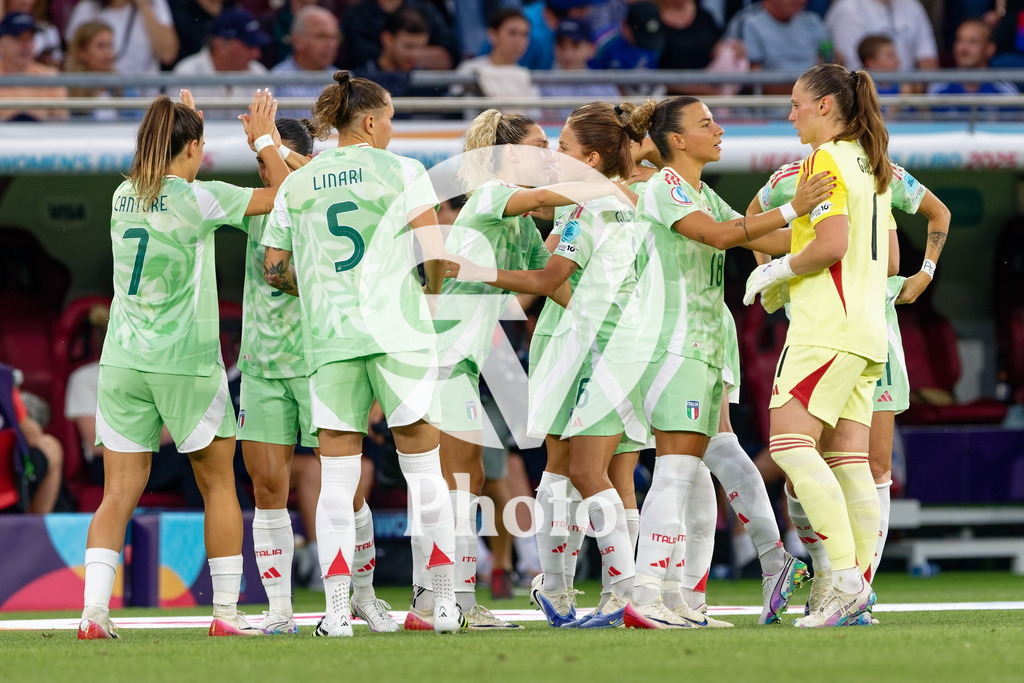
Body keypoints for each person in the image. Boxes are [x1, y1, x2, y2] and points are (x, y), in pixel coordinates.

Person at [77, 88, 289, 640]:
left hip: (122, 361)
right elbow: (287, 196)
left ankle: (93, 614)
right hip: (186, 362)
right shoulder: (199, 198)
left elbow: (163, 167)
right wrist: (264, 139)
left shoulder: (124, 194)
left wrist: (183, 122)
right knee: (219, 486)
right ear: (193, 148)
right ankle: (224, 615)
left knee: (117, 493)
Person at [261, 71, 461, 637]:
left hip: (331, 337)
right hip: (399, 334)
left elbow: (274, 269)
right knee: (425, 472)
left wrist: (322, 289)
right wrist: (428, 300)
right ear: (370, 122)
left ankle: (336, 612)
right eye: (391, 117)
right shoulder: (404, 172)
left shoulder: (300, 182)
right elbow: (435, 254)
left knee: (336, 479)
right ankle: (443, 604)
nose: (393, 128)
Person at [622, 95, 832, 629]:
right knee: (675, 470)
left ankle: (678, 598)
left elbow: (756, 233)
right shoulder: (665, 186)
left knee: (694, 466)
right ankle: (646, 593)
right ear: (677, 140)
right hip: (672, 343)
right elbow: (719, 237)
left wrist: (834, 237)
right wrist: (794, 207)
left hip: (704, 343)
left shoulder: (698, 190)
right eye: (706, 123)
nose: (719, 129)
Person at [447, 101, 653, 629]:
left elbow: (554, 284)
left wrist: (610, 327)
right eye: (542, 147)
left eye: (556, 147)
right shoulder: (495, 195)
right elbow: (545, 219)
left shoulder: (528, 225)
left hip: (494, 356)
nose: (549, 156)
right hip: (441, 354)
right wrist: (611, 180)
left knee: (482, 479)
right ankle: (448, 601)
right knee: (455, 482)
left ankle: (545, 593)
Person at [749, 158, 950, 608]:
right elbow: (750, 222)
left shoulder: (884, 174)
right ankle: (828, 575)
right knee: (804, 464)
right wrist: (776, 276)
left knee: (871, 464)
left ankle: (855, 589)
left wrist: (926, 272)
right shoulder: (794, 175)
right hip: (820, 325)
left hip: (876, 328)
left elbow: (902, 254)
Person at [742, 62, 894, 627]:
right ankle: (856, 591)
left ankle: (844, 583)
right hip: (866, 329)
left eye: (797, 104)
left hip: (827, 326)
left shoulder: (824, 158)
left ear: (826, 105)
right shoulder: (870, 160)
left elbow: (828, 244)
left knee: (788, 446)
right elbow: (833, 239)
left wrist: (778, 268)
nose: (791, 115)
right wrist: (745, 239)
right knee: (849, 460)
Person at [233, 115, 397, 634]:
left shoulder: (314, 200)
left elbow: (293, 184)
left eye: (270, 161)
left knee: (346, 491)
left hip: (319, 358)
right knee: (266, 488)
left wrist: (270, 146)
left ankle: (363, 597)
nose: (264, 172)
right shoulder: (258, 204)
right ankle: (280, 610)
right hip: (261, 366)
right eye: (259, 163)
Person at [64, 304, 203, 508]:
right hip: (112, 462)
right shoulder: (84, 378)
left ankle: (227, 526)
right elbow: (96, 443)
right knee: (194, 457)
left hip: (155, 455)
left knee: (206, 456)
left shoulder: (152, 372)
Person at [173, 7, 270, 116]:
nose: (256, 53)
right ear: (222, 44)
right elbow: (178, 127)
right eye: (249, 45)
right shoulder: (186, 73)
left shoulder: (259, 73)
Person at [723, 0, 831, 93]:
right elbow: (752, 82)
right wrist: (803, 95)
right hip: (771, 108)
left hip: (816, 100)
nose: (801, 1)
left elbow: (829, 62)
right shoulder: (747, 21)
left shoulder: (812, 20)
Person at [0, 365, 64, 514]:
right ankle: (31, 528)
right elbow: (33, 437)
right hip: (5, 493)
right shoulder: (3, 378)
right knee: (50, 446)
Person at [353, 7, 447, 102]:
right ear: (387, 40)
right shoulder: (361, 82)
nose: (416, 55)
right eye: (409, 47)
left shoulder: (428, 87)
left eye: (422, 48)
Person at [66, 0, 180, 78]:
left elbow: (167, 55)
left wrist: (145, 6)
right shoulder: (87, 7)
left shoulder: (154, 4)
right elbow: (75, 56)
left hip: (144, 97)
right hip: (97, 93)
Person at [824, 0, 938, 72]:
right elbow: (853, 69)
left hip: (908, 95)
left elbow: (927, 58)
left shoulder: (913, 5)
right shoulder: (847, 7)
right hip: (867, 98)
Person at [341, 0, 458, 70]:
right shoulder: (356, 15)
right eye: (409, 46)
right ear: (386, 39)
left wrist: (409, 54)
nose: (413, 54)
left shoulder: (426, 11)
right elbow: (356, 57)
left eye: (419, 47)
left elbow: (449, 56)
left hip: (420, 89)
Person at [270, 6, 341, 119]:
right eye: (321, 36)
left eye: (334, 37)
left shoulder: (342, 80)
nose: (330, 44)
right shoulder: (275, 81)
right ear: (298, 40)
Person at [454, 9, 539, 100]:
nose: (519, 41)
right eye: (512, 33)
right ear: (493, 34)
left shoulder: (528, 78)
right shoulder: (469, 69)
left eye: (524, 34)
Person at [0, 12, 69, 121]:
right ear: (1, 43)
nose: (26, 45)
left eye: (30, 38)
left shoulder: (50, 76)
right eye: (18, 38)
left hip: (43, 137)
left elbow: (61, 123)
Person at [928, 18, 1019, 98]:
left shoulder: (1005, 93)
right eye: (960, 40)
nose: (963, 49)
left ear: (990, 49)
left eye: (973, 42)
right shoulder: (938, 91)